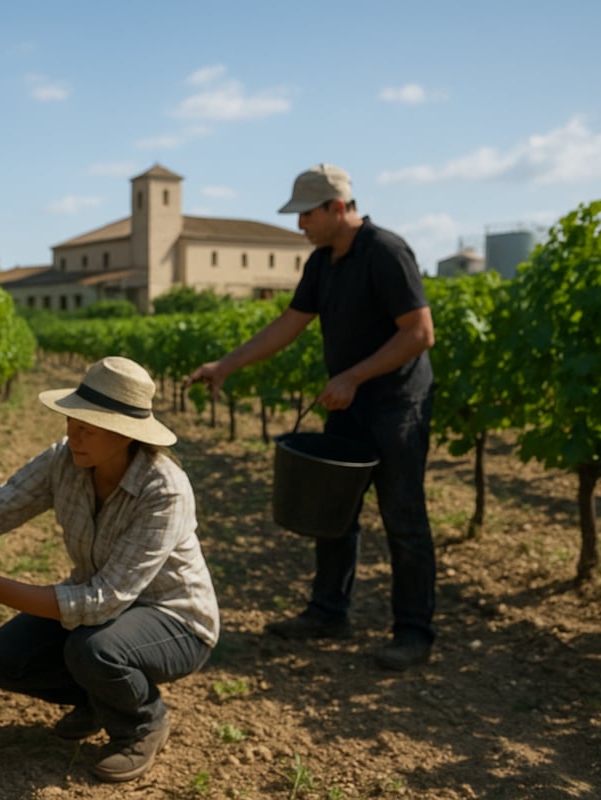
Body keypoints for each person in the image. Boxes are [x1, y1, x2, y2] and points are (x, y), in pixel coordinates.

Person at [0, 356, 219, 783]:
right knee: (3, 661)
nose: (72, 434)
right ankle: (99, 699)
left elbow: (102, 603)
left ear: (124, 434)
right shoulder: (66, 460)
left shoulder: (163, 489)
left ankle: (141, 723)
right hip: (104, 610)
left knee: (93, 649)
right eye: (71, 421)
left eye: (87, 427)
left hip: (175, 619)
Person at [187, 164, 436, 671]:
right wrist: (226, 365)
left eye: (305, 214)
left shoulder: (386, 253)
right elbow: (289, 324)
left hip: (396, 406)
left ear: (337, 207)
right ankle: (328, 612)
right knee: (334, 512)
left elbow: (418, 333)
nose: (299, 225)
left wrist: (353, 377)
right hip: (349, 403)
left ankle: (413, 633)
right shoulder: (323, 263)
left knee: (404, 518)